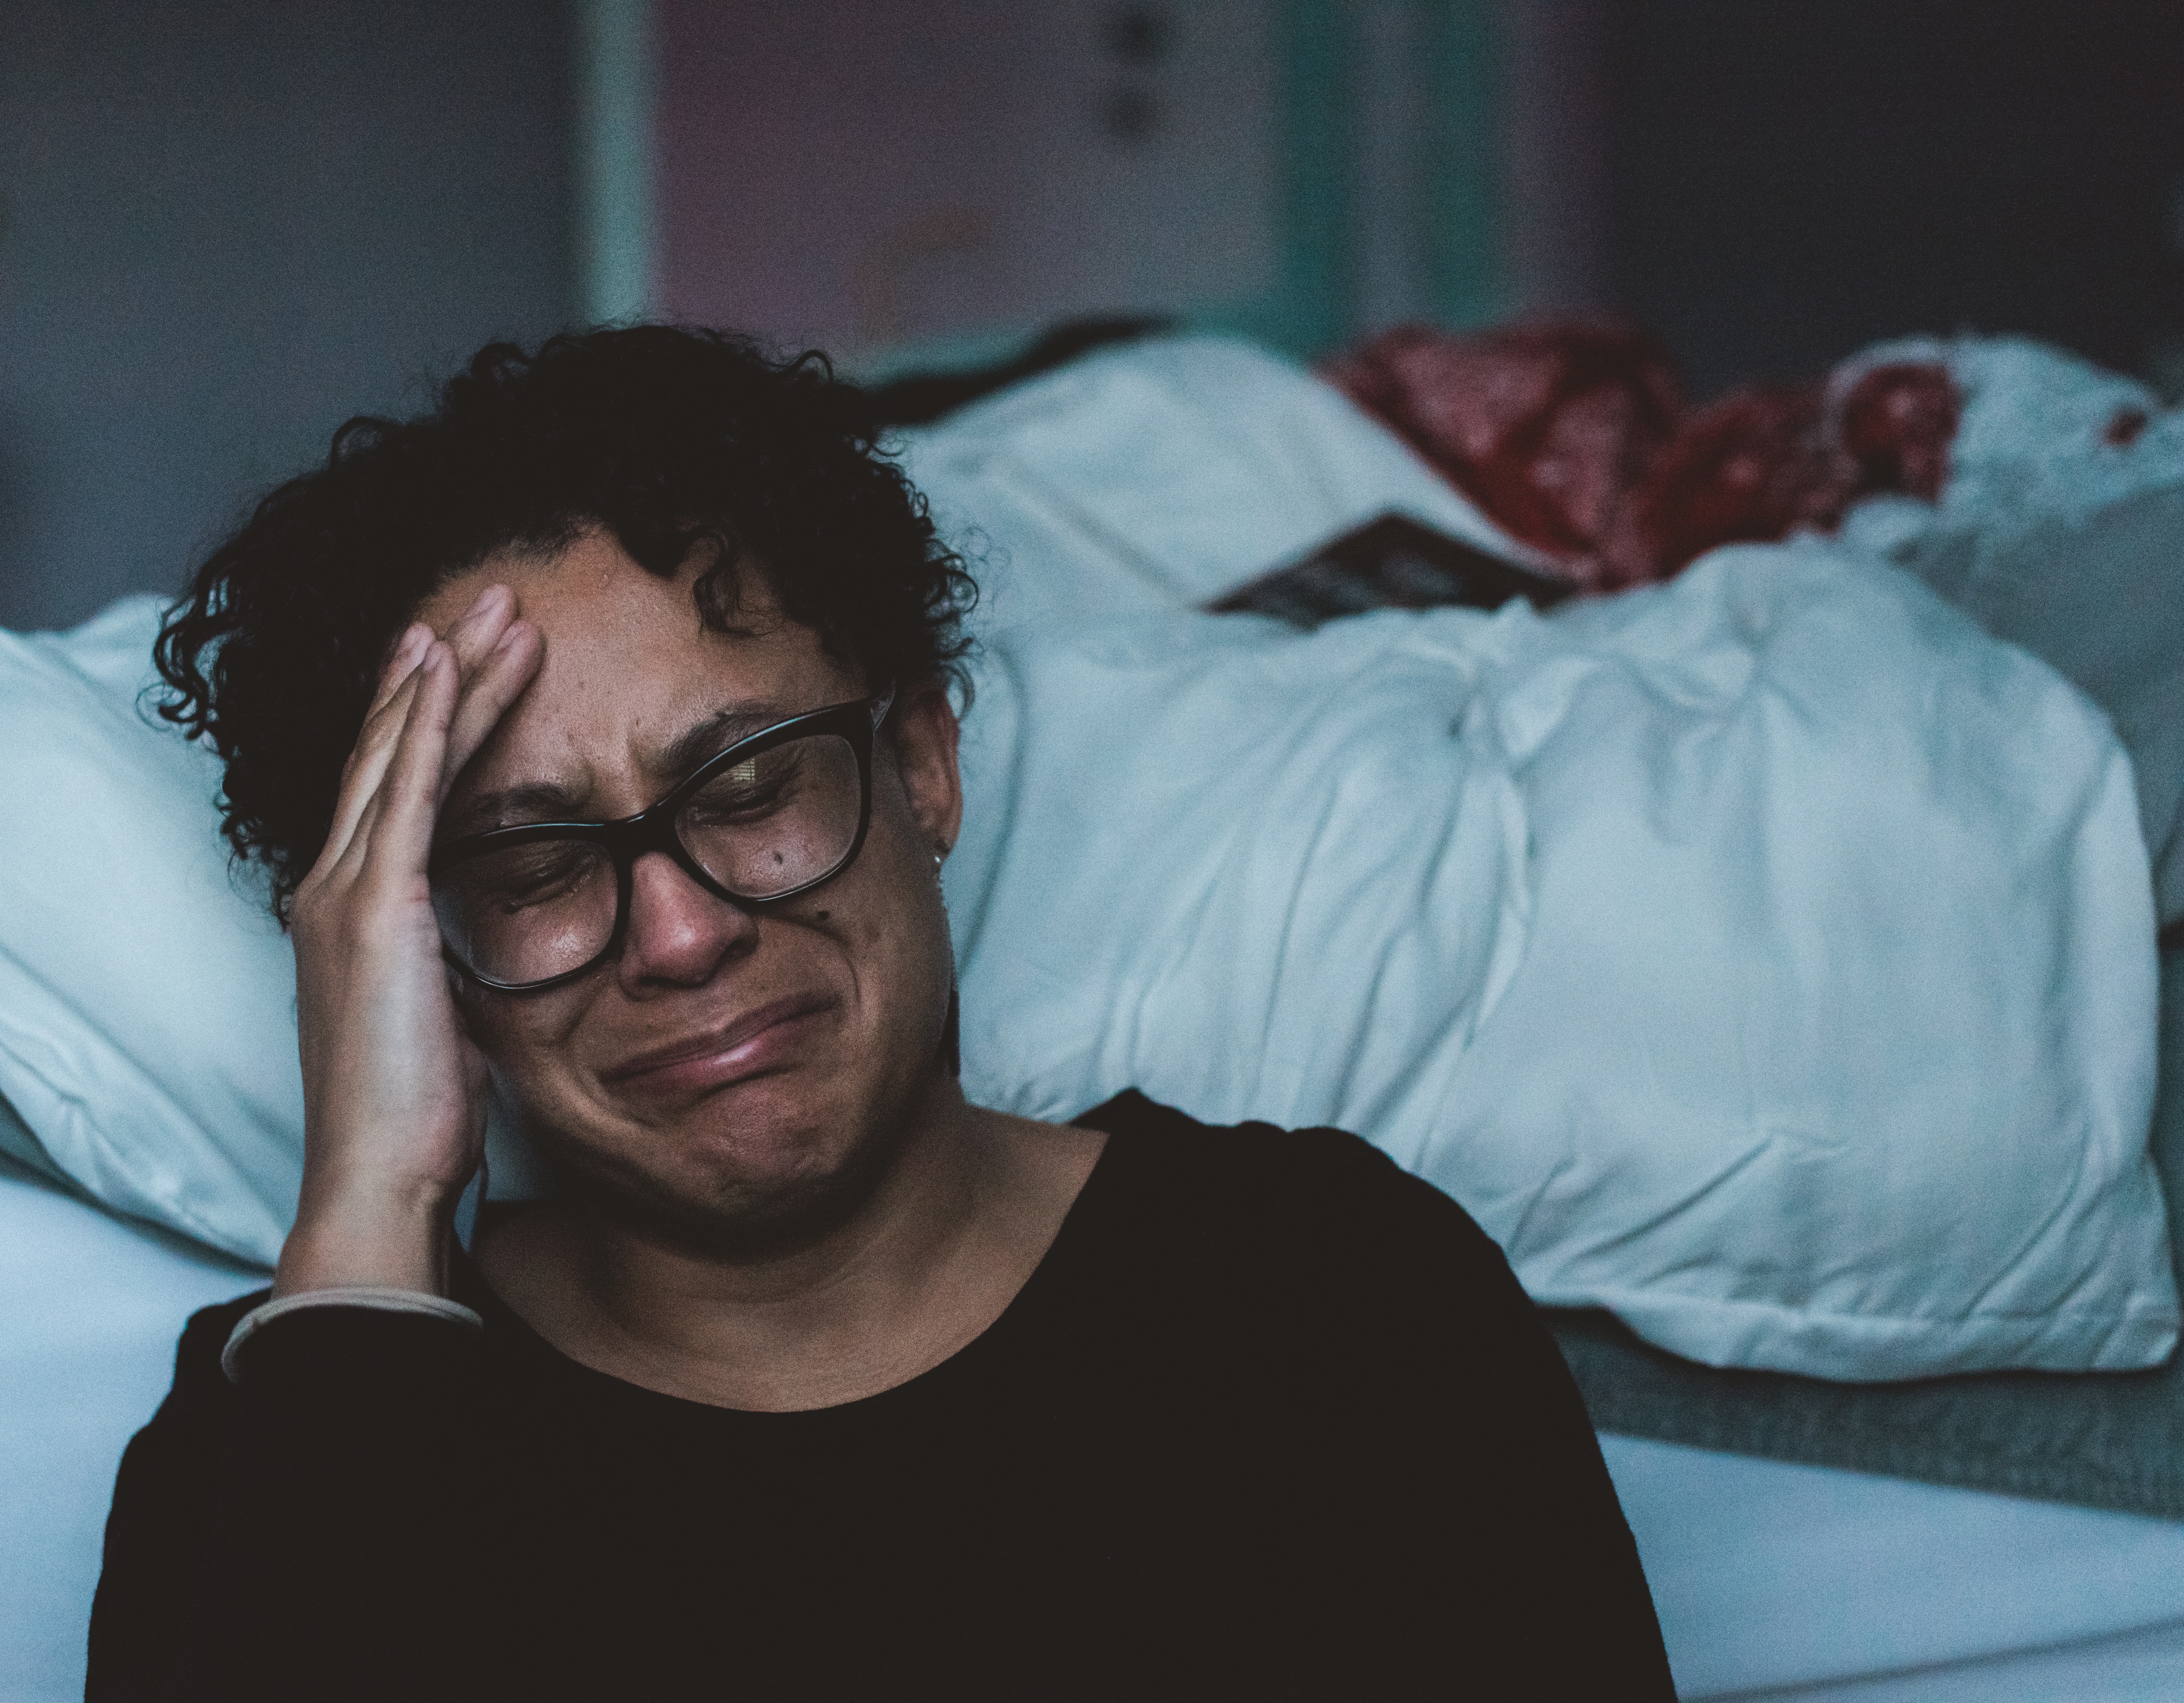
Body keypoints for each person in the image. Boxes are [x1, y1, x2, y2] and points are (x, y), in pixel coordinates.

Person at [88, 327, 1674, 1699]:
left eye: (753, 784)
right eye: (533, 864)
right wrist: (372, 1207)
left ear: (922, 764)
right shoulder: (285, 1431)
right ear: (418, 945)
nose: (685, 932)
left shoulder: (1335, 1300)